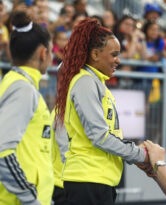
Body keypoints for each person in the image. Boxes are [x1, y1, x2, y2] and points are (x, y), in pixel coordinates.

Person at [54, 18, 149, 205]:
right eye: (114, 54)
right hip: (88, 182)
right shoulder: (85, 82)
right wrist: (140, 155)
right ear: (95, 54)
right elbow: (99, 136)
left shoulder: (95, 82)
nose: (118, 60)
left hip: (97, 181)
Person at [0, 11, 53, 205]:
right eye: (51, 50)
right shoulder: (21, 88)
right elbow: (2, 151)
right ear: (42, 53)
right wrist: (31, 199)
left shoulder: (19, 84)